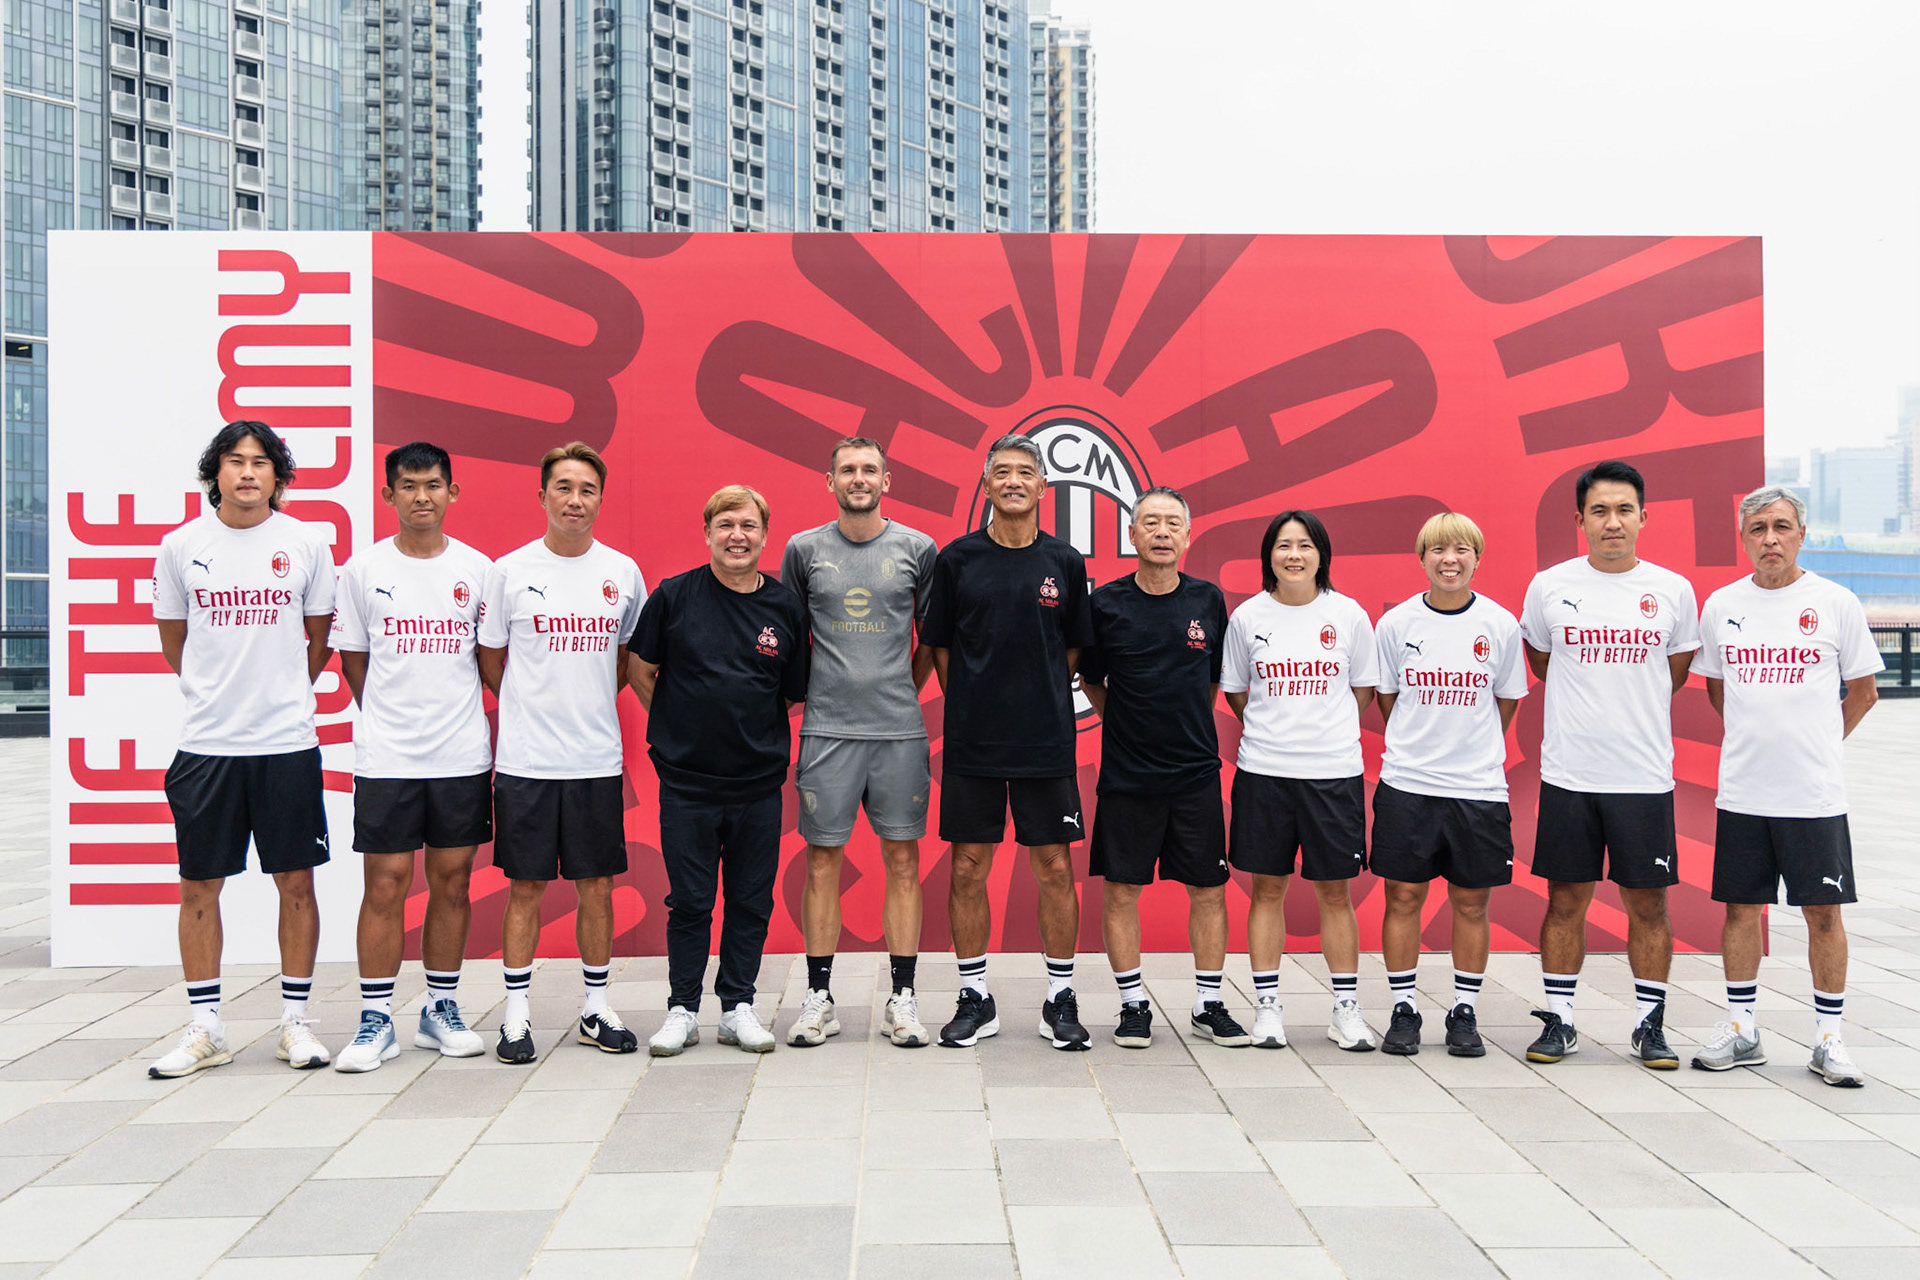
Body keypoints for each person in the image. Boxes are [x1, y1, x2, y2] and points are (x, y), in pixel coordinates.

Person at [148, 420, 338, 1078]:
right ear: (215, 473)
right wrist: (218, 693)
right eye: (236, 461)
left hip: (286, 742)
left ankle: (295, 1023)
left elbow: (316, 642)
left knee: (296, 883)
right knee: (199, 887)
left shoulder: (308, 544)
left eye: (262, 462)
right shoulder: (180, 546)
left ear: (279, 477)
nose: (249, 473)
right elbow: (177, 642)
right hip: (207, 745)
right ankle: (206, 1027)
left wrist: (277, 692)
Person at [1691, 486, 1881, 1086]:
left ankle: (1829, 1039)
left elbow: (1865, 691)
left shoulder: (1835, 602)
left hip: (1814, 796)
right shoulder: (1722, 604)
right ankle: (1743, 1030)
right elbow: (1719, 689)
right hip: (1744, 792)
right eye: (1757, 529)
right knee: (1741, 910)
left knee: (1823, 913)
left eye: (1780, 526)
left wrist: (1818, 742)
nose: (1769, 539)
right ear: (1743, 538)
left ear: (1802, 533)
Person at [1519, 459, 1700, 1069]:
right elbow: (1543, 663)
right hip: (1570, 775)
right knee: (1565, 901)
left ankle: (1650, 1024)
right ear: (1580, 520)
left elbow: (1670, 675)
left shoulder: (1673, 590)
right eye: (1599, 511)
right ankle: (1560, 1021)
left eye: (1624, 510)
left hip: (1643, 778)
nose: (1612, 522)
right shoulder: (1549, 586)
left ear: (1644, 518)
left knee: (1648, 906)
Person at [922, 433, 1095, 1050]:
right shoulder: (957, 560)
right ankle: (974, 997)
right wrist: (973, 698)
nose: (1014, 481)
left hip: (1045, 741)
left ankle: (1060, 998)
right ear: (987, 486)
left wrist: (1036, 692)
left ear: (1043, 488)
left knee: (1053, 866)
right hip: (974, 743)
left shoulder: (1066, 563)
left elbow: (1072, 649)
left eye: (1026, 472)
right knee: (968, 868)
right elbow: (939, 646)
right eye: (1002, 473)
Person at [477, 442, 646, 1064]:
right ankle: (516, 1018)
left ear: (600, 498)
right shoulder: (509, 572)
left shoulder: (623, 573)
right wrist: (530, 703)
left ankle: (595, 1010)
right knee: (525, 888)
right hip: (525, 762)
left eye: (588, 490)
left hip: (596, 760)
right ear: (542, 495)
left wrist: (587, 700)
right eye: (564, 488)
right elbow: (491, 659)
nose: (576, 500)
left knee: (595, 887)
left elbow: (629, 660)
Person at [329, 442, 491, 1072]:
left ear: (453, 492)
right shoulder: (363, 570)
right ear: (387, 495)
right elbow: (353, 661)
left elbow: (488, 658)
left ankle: (439, 1010)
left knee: (451, 881)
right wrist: (391, 721)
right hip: (387, 758)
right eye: (408, 485)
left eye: (432, 485)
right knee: (386, 884)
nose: (421, 496)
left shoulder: (479, 570)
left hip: (460, 754)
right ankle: (374, 1020)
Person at [633, 486, 811, 1057]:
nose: (738, 535)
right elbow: (641, 670)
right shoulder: (674, 596)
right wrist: (680, 731)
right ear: (707, 531)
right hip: (686, 784)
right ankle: (682, 1009)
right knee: (689, 901)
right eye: (727, 524)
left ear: (765, 536)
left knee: (750, 900)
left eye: (750, 526)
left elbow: (788, 692)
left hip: (757, 785)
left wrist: (745, 731)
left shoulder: (784, 607)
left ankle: (737, 1007)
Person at [779, 438, 938, 1048]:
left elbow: (930, 639)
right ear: (830, 481)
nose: (858, 479)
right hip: (827, 731)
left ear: (886, 481)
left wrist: (899, 687)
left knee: (902, 860)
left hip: (898, 731)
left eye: (869, 470)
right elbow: (789, 633)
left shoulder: (917, 549)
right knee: (823, 862)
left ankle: (903, 999)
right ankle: (819, 998)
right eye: (847, 470)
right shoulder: (804, 550)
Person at [1080, 486, 1245, 1049]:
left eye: (1172, 523)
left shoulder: (1208, 600)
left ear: (1187, 535)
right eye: (1150, 522)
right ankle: (1131, 1005)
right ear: (1132, 534)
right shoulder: (1106, 604)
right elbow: (1093, 681)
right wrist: (1128, 724)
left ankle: (1208, 1003)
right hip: (1128, 777)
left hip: (1195, 773)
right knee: (1123, 891)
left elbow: (1215, 679)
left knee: (1208, 890)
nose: (1161, 532)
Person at [1222, 510, 1380, 1052]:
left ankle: (1346, 1010)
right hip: (1265, 773)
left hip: (1332, 775)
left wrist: (1319, 729)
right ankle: (1267, 1008)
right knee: (1266, 890)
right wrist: (1277, 731)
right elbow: (1238, 692)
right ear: (1268, 555)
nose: (1294, 555)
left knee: (1335, 893)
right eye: (1284, 545)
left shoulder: (1349, 615)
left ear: (1322, 555)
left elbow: (1361, 690)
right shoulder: (1247, 617)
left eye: (1305, 545)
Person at [1370, 513, 1528, 1057]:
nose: (1450, 560)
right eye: (1438, 550)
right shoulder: (1396, 625)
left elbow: (1505, 702)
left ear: (1477, 559)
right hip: (1408, 783)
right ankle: (1403, 1008)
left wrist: (1470, 749)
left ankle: (1464, 1011)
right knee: (1403, 896)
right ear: (1422, 559)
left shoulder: (1501, 626)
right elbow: (1389, 700)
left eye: (1462, 549)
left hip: (1477, 788)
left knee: (1470, 902)